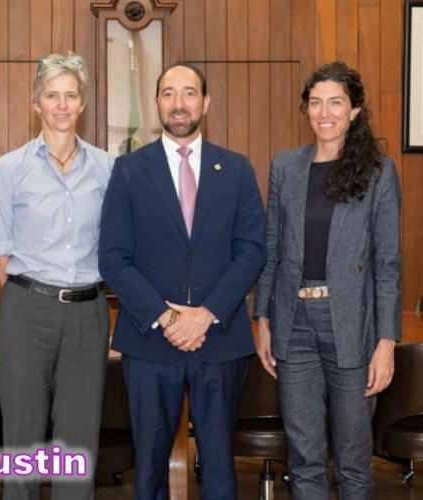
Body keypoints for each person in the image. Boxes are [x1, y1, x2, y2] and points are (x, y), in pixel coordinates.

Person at [99, 62, 267, 500]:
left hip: (220, 339)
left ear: (205, 103)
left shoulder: (236, 169)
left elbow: (252, 251)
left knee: (218, 464)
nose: (179, 103)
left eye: (189, 93)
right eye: (169, 93)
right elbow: (113, 258)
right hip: (151, 339)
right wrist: (168, 318)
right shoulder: (130, 170)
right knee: (149, 464)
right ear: (157, 103)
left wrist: (207, 315)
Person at [253, 61, 401, 500]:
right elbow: (272, 250)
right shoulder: (286, 167)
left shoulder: (378, 172)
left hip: (352, 326)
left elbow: (387, 262)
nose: (324, 113)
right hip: (293, 323)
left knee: (354, 461)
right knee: (304, 459)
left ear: (354, 110)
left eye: (335, 102)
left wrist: (387, 341)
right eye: (315, 103)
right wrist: (262, 316)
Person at [0, 52, 114, 500]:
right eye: (52, 95)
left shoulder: (108, 169)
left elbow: (116, 244)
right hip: (26, 308)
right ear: (36, 103)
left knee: (78, 444)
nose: (61, 105)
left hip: (89, 311)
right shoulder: (6, 170)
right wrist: (33, 297)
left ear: (83, 104)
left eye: (71, 95)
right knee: (21, 438)